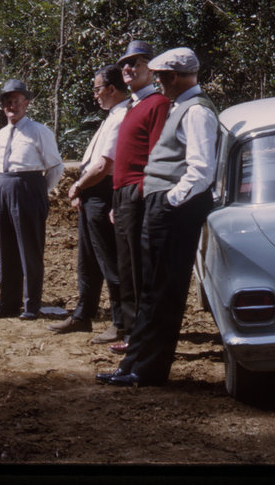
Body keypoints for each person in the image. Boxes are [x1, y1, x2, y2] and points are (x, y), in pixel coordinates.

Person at [97, 47, 219, 387]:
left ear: (177, 77)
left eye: (163, 76)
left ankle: (148, 370)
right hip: (163, 205)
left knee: (164, 290)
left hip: (175, 209)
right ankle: (134, 361)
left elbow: (201, 170)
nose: (160, 83)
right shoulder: (183, 107)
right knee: (150, 288)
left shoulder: (196, 112)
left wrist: (170, 199)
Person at [48, 65, 129, 342]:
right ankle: (83, 315)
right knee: (88, 259)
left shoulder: (121, 117)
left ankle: (120, 322)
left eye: (97, 89)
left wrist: (79, 185)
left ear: (112, 88)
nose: (95, 95)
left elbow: (104, 165)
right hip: (92, 193)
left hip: (103, 192)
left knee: (109, 260)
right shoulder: (111, 116)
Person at [0, 80, 63, 321]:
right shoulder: (1, 134)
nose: (11, 106)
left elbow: (56, 167)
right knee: (6, 248)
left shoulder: (39, 131)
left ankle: (31, 305)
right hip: (3, 186)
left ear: (26, 104)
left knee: (29, 250)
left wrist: (38, 192)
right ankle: (7, 303)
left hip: (29, 188)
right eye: (7, 102)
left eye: (16, 101)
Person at [109, 40, 171, 353]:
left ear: (151, 68)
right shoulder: (132, 106)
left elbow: (157, 152)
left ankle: (143, 336)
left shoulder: (158, 103)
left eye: (136, 62)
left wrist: (143, 194)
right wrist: (116, 201)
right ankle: (132, 334)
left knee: (140, 267)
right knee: (126, 267)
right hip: (122, 195)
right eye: (125, 64)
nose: (129, 69)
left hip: (138, 192)